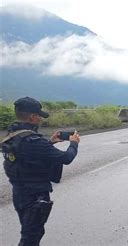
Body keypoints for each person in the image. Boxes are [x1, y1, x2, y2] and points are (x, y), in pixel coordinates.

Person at [1, 97, 80, 246]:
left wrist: (50, 142)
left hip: (19, 193)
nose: (40, 119)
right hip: (35, 196)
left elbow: (28, 157)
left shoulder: (12, 135)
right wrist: (74, 143)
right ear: (32, 117)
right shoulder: (34, 141)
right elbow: (66, 158)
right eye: (39, 116)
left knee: (29, 232)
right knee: (31, 237)